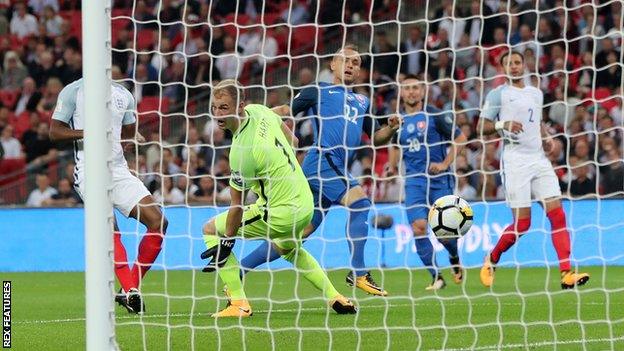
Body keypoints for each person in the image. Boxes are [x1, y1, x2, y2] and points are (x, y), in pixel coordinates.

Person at [241, 45, 402, 296]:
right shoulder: (319, 90)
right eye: (345, 60)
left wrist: (390, 129)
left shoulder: (363, 101)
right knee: (360, 204)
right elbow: (285, 111)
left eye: (356, 62)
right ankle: (358, 272)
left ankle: (238, 270)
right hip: (322, 160)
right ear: (332, 65)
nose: (350, 65)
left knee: (296, 236)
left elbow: (376, 137)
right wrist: (254, 118)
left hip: (334, 167)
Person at [200, 80, 356, 318]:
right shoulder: (260, 111)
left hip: (280, 212)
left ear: (240, 106)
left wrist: (227, 243)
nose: (218, 114)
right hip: (304, 202)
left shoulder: (242, 152)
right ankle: (336, 297)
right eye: (214, 108)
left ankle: (239, 303)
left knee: (211, 229)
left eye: (224, 107)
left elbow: (237, 206)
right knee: (291, 250)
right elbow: (293, 141)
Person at [49, 78, 168, 313]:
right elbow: (55, 132)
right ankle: (131, 289)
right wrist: (88, 132)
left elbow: (129, 133)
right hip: (89, 170)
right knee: (109, 225)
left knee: (158, 221)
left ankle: (129, 290)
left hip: (119, 170)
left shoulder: (124, 94)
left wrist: (132, 140)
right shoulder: (73, 90)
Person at [478, 51, 590, 289]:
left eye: (517, 63)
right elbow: (482, 127)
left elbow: (535, 122)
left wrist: (546, 136)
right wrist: (502, 124)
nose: (515, 67)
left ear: (525, 65)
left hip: (538, 159)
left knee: (557, 215)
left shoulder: (535, 93)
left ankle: (566, 273)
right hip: (515, 160)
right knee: (522, 224)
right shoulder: (498, 94)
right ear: (503, 68)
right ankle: (492, 258)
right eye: (509, 64)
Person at [388, 75, 467, 290]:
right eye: (407, 88)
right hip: (414, 182)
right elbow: (394, 146)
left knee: (444, 233)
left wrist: (444, 163)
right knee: (419, 227)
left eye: (415, 88)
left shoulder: (434, 114)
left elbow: (460, 139)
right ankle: (436, 277)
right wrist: (392, 166)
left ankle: (453, 256)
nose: (412, 92)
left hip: (439, 180)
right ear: (401, 93)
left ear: (422, 91)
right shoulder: (398, 121)